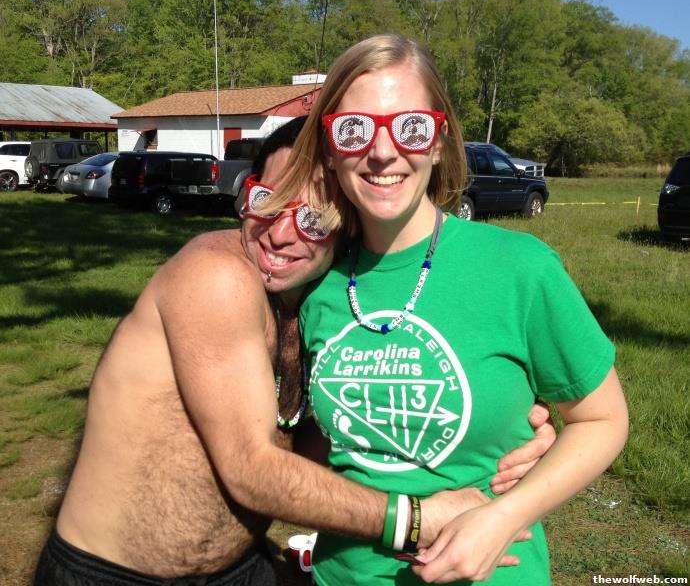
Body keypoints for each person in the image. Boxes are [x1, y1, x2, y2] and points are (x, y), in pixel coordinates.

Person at [34, 116, 555, 586]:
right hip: (112, 574)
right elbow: (251, 470)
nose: (281, 234)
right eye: (268, 201)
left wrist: (502, 420)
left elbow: (320, 444)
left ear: (350, 226)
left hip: (244, 566)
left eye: (315, 219)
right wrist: (417, 520)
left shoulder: (318, 303)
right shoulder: (216, 276)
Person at [265, 35, 630, 585]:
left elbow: (602, 418)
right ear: (331, 149)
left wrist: (505, 516)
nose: (383, 152)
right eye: (355, 129)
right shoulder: (317, 280)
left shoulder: (519, 267)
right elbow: (304, 439)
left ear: (438, 143)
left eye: (410, 127)